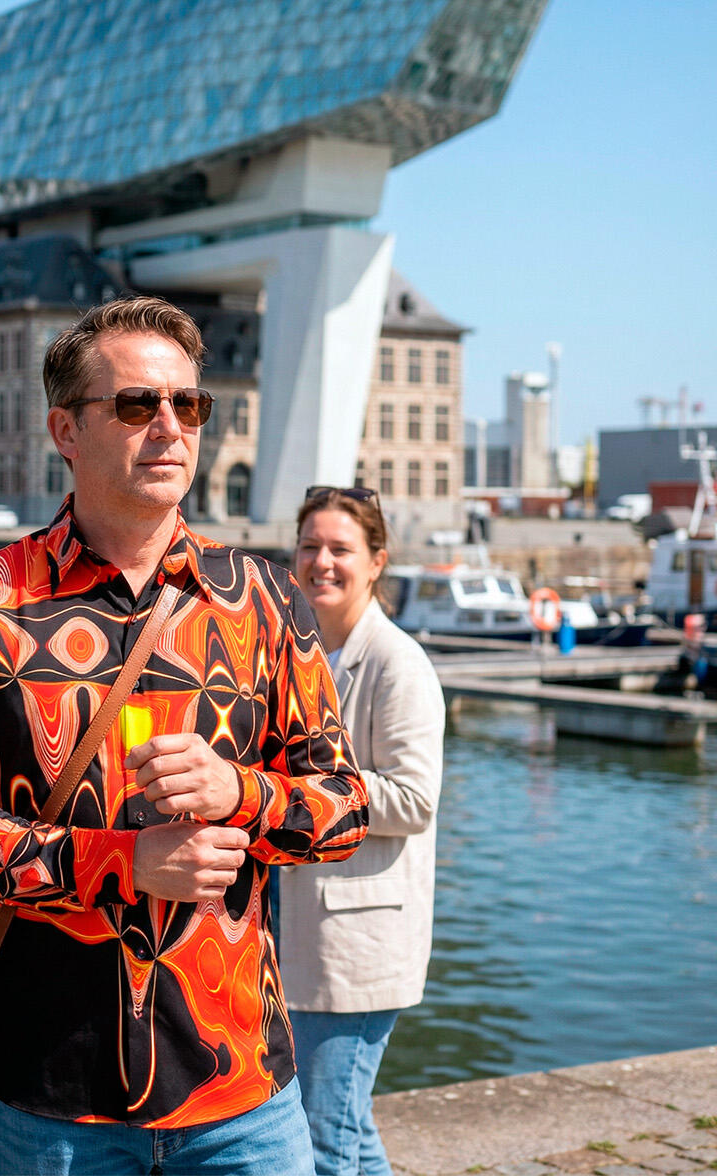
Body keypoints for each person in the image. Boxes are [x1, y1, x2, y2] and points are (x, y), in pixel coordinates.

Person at [0, 297, 369, 1176]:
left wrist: (242, 792)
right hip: (51, 1097)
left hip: (244, 1097)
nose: (169, 427)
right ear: (65, 431)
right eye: (135, 405)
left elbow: (344, 808)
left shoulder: (264, 600)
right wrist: (120, 862)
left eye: (187, 405)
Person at [280, 485, 445, 1176]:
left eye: (340, 549)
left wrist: (297, 793)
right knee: (346, 1128)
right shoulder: (300, 652)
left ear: (376, 562)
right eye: (310, 546)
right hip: (299, 939)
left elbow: (414, 799)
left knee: (324, 1143)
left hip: (354, 949)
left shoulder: (396, 663)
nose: (323, 562)